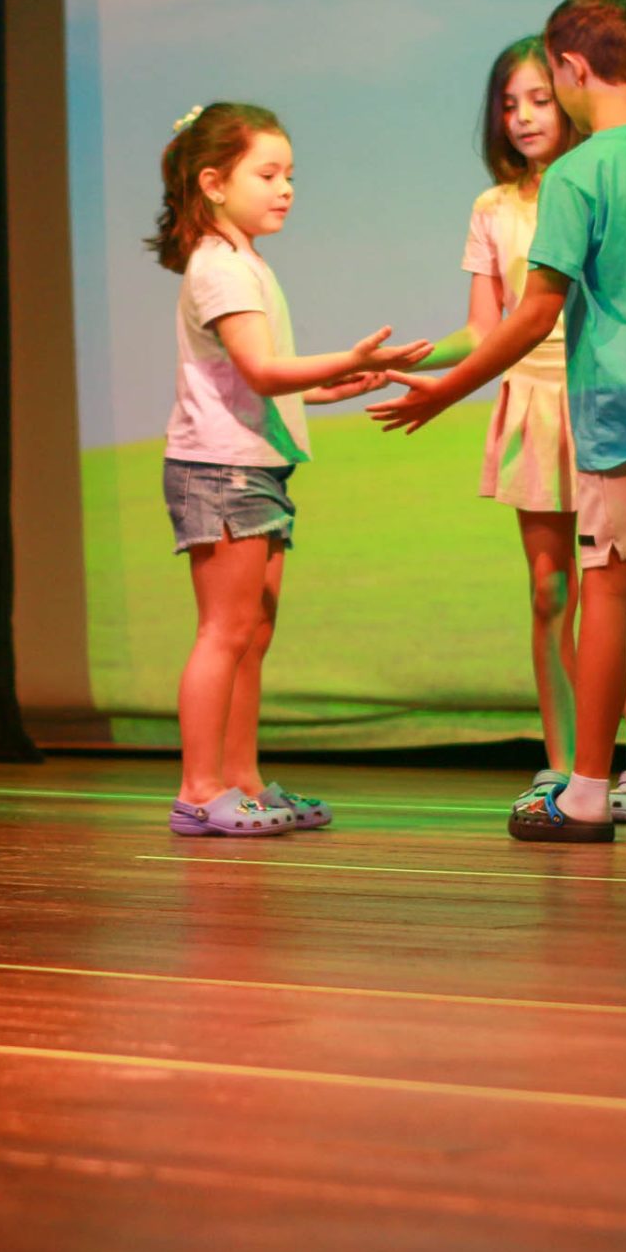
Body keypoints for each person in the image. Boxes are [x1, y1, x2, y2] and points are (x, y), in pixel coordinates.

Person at [376, 0, 626, 845]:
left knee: (608, 588)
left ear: (572, 69)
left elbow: (535, 310)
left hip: (624, 411)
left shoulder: (580, 173)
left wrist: (448, 388)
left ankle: (584, 792)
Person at [151, 102, 430, 837]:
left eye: (290, 175)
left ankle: (240, 780)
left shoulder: (242, 259)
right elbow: (262, 368)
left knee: (252, 633)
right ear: (213, 183)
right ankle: (199, 790)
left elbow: (254, 378)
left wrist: (331, 385)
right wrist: (349, 358)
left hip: (253, 466)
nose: (286, 189)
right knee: (224, 631)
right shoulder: (220, 266)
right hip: (221, 470)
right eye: (268, 174)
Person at [418, 36, 626, 818]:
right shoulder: (492, 208)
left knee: (614, 584)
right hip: (528, 402)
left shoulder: (594, 177)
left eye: (537, 98)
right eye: (508, 103)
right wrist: (410, 359)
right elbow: (482, 327)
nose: (524, 116)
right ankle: (561, 764)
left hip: (596, 398)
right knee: (548, 587)